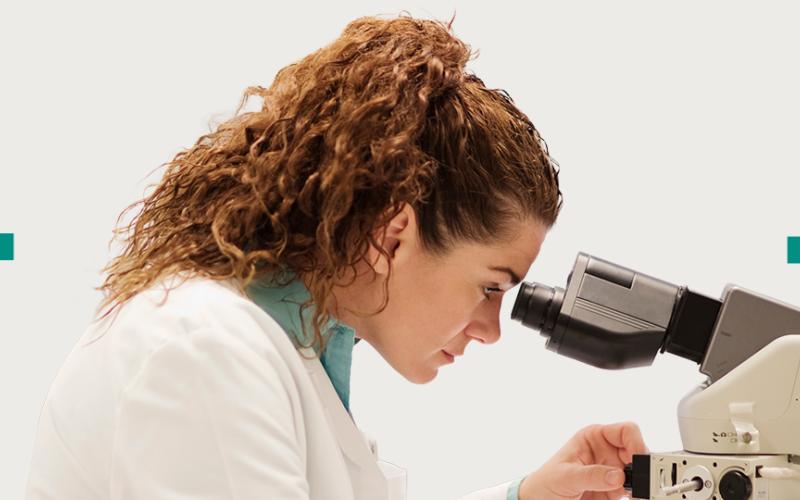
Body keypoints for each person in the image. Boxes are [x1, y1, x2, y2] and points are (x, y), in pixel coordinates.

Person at [25, 14, 648, 500]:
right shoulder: (203, 351)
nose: (491, 331)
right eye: (490, 286)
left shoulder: (287, 348)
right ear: (391, 236)